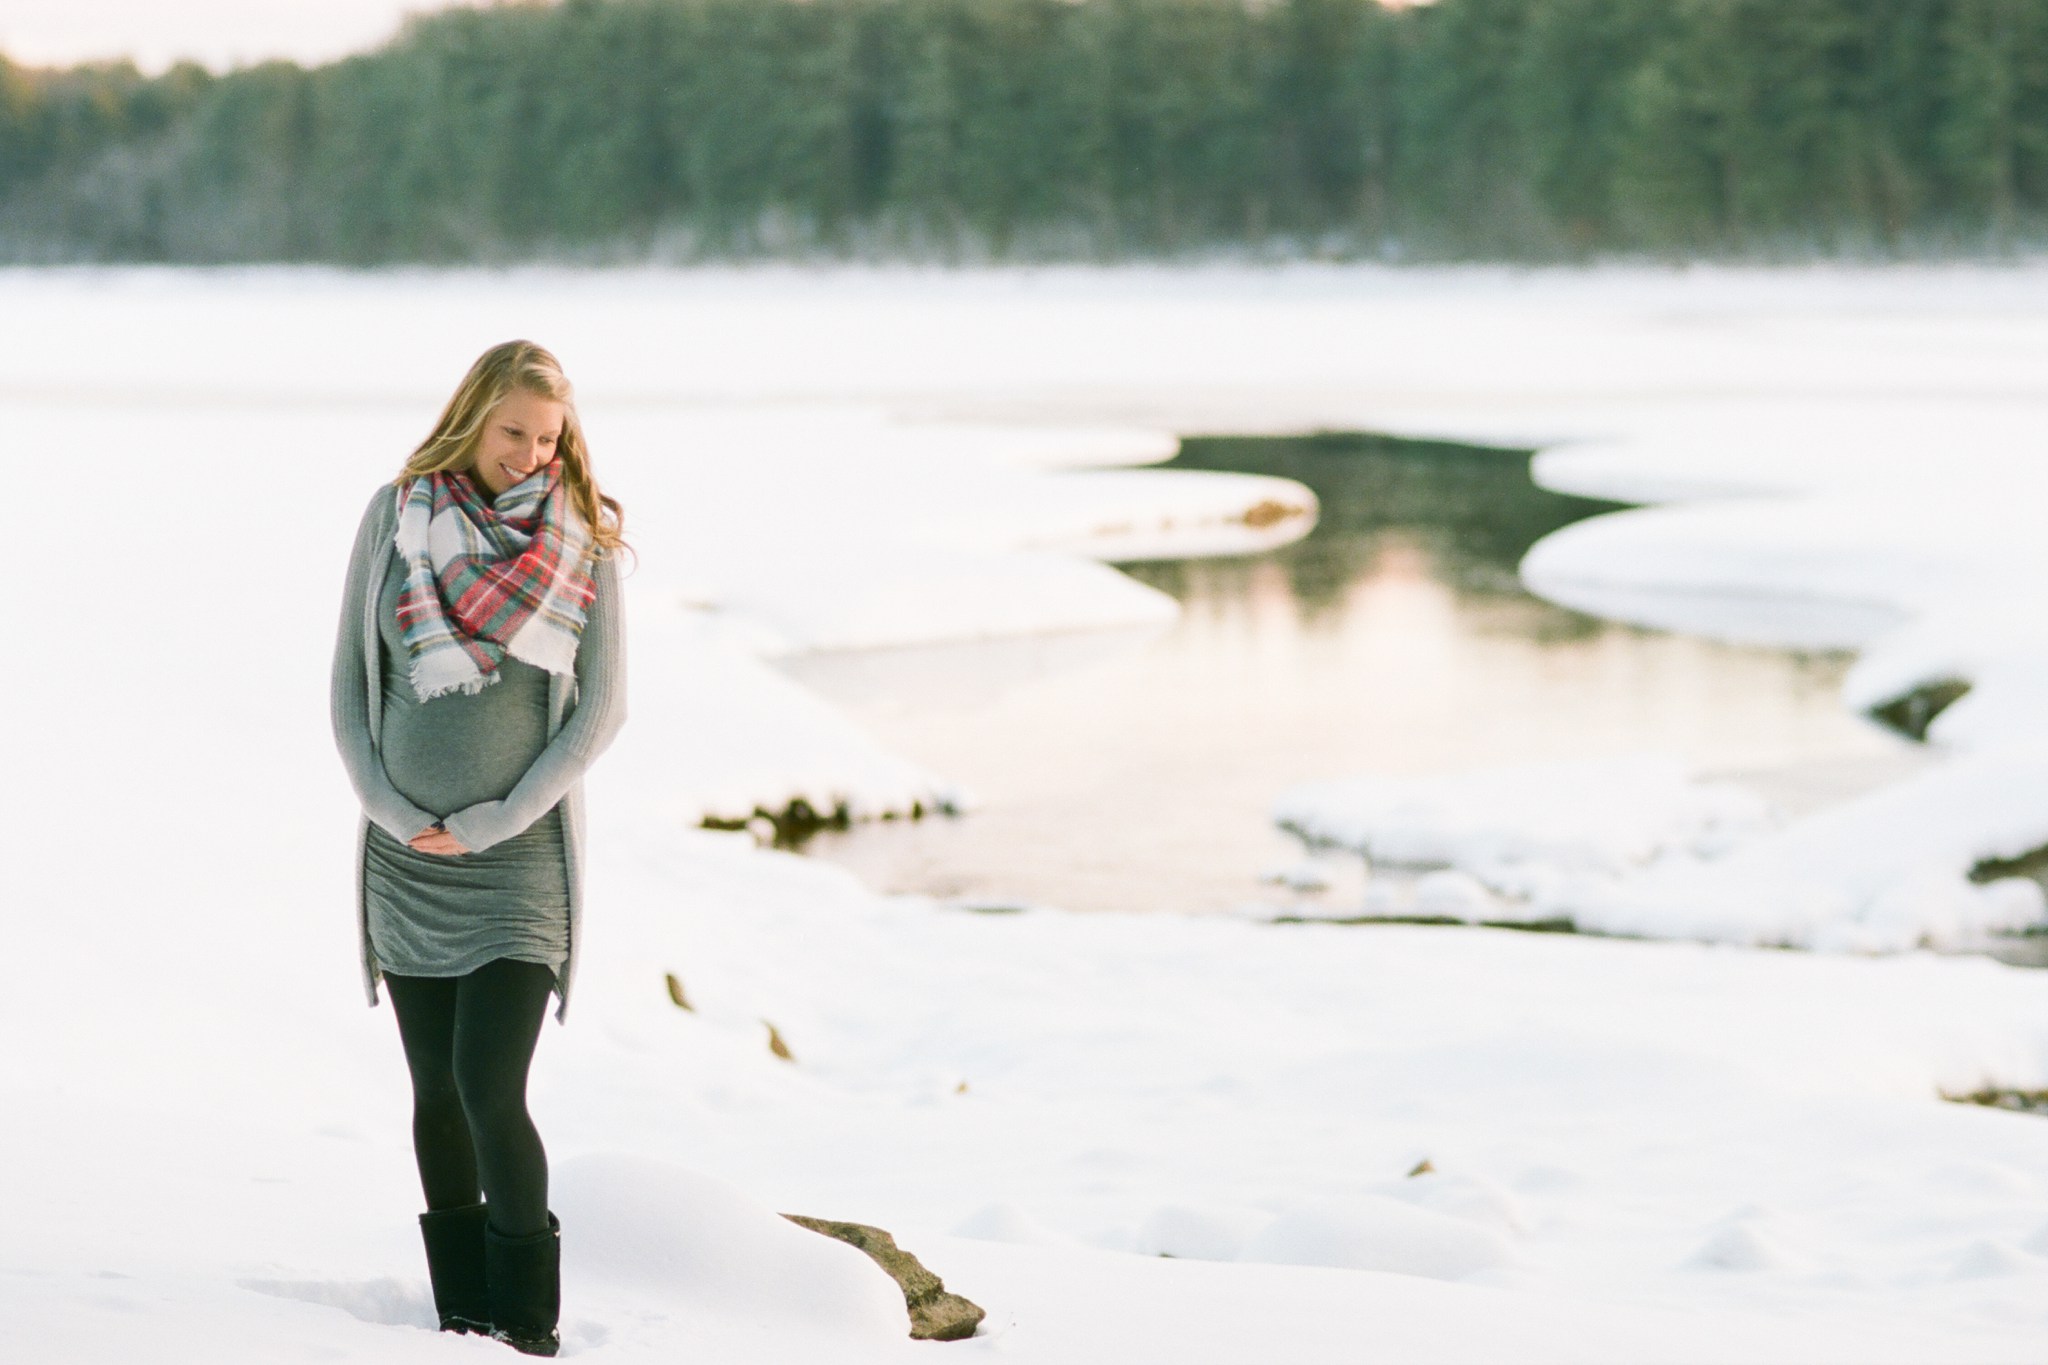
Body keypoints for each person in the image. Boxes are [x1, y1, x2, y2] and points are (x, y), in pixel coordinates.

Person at [330, 340, 628, 1356]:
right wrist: (383, 807)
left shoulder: (583, 541)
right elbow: (347, 687)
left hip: (517, 867)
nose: (531, 455)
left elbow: (600, 714)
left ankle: (527, 1329)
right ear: (471, 418)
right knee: (433, 1095)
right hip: (404, 861)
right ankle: (459, 1317)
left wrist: (493, 821)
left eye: (549, 439)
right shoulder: (394, 515)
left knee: (489, 1087)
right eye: (514, 433)